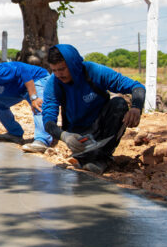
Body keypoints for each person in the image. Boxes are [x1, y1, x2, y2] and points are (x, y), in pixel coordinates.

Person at [42, 44, 146, 174]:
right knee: (86, 155)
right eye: (54, 70)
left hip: (103, 126)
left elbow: (137, 87)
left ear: (74, 64)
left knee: (119, 103)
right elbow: (48, 120)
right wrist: (65, 136)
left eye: (62, 69)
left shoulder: (94, 71)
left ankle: (103, 158)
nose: (58, 74)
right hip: (78, 134)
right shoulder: (53, 84)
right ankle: (86, 156)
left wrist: (136, 108)